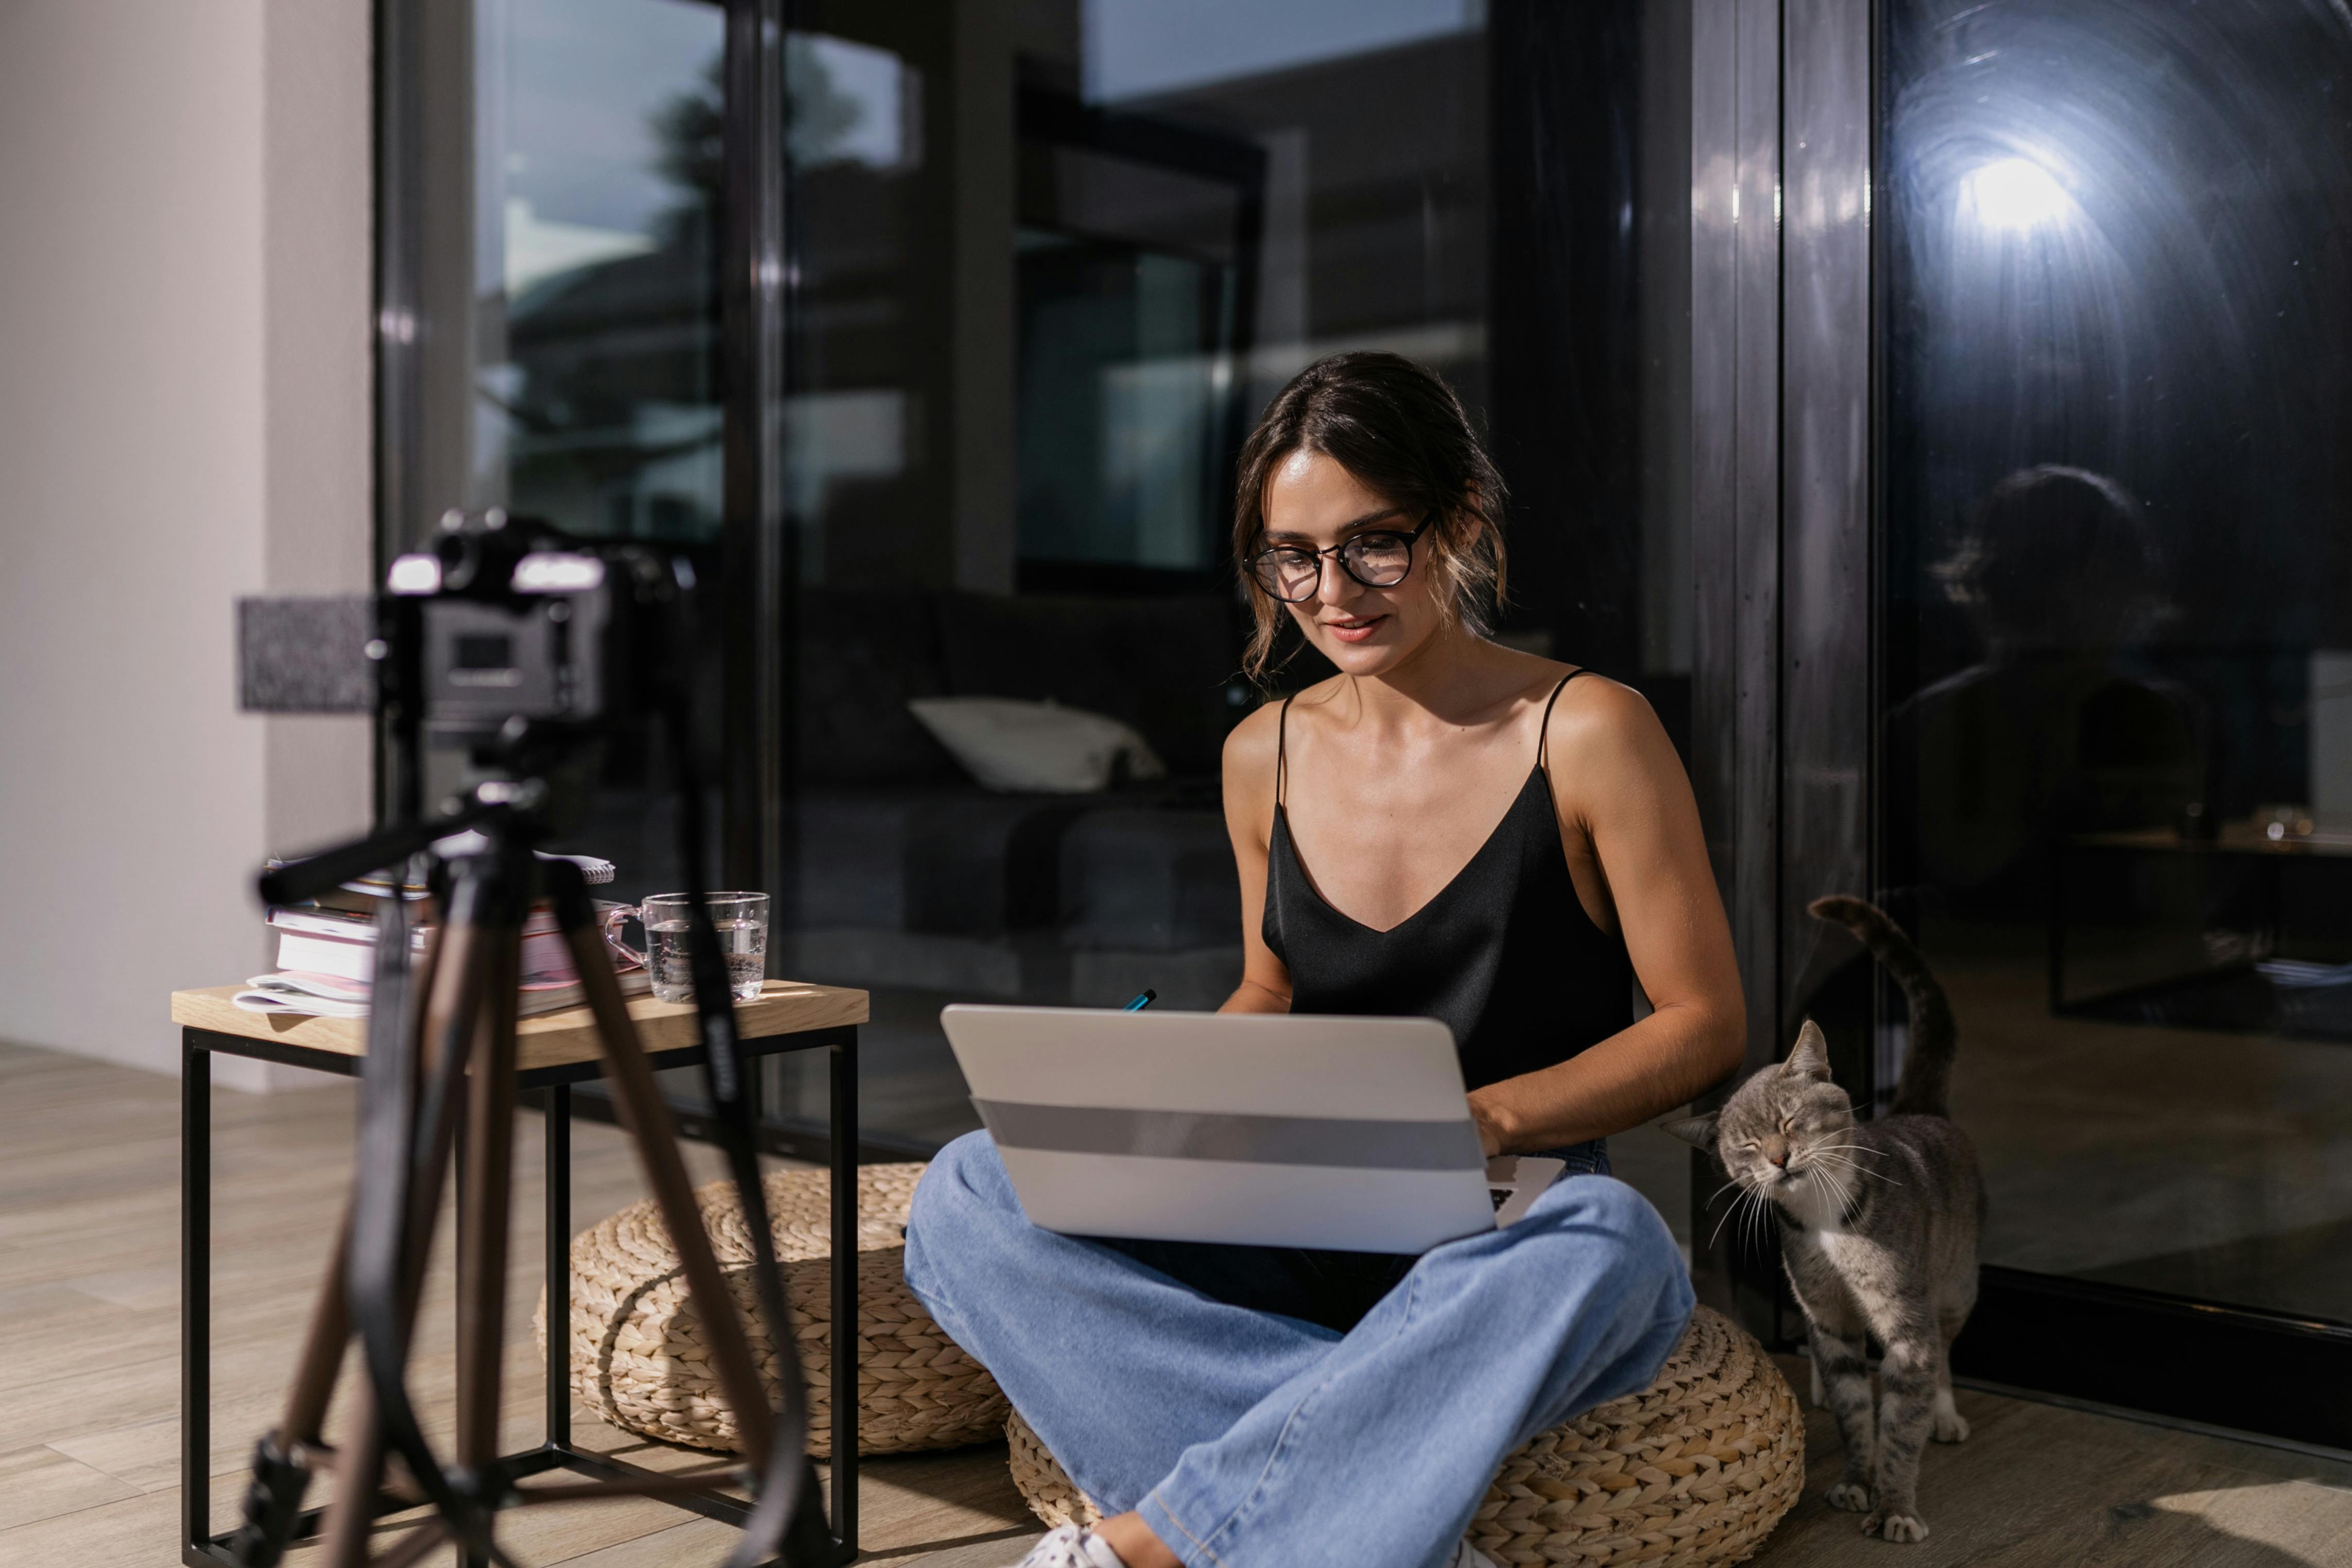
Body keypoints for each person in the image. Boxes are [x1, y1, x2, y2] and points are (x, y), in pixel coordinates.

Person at [904, 352, 1746, 1568]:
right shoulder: (1266, 751)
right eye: (1290, 555)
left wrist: (1484, 1117)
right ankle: (1364, 1499)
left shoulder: (1590, 728)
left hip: (1495, 1234)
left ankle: (1159, 1541)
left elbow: (1702, 1021)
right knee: (965, 1190)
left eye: (1372, 545)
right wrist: (1180, 1079)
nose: (1330, 590)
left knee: (1617, 1242)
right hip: (1295, 1196)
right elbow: (1273, 986)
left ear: (1458, 521)